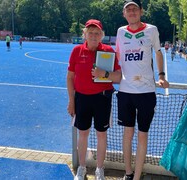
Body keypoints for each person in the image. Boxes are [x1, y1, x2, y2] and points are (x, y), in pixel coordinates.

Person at [115, 0, 169, 179]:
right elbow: (116, 58)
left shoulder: (151, 30)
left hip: (146, 92)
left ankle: (137, 176)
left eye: (135, 9)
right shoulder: (120, 32)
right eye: (128, 9)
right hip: (125, 92)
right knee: (127, 134)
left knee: (142, 135)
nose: (131, 12)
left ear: (141, 12)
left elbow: (158, 53)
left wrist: (161, 76)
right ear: (124, 14)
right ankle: (128, 173)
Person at [67, 19, 121, 180]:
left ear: (101, 36)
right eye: (90, 32)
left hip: (102, 98)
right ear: (85, 34)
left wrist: (102, 74)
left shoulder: (108, 51)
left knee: (101, 135)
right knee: (82, 134)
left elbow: (118, 77)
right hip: (81, 99)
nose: (93, 36)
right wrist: (71, 100)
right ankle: (82, 168)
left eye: (97, 33)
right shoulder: (77, 51)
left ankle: (99, 169)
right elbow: (70, 77)